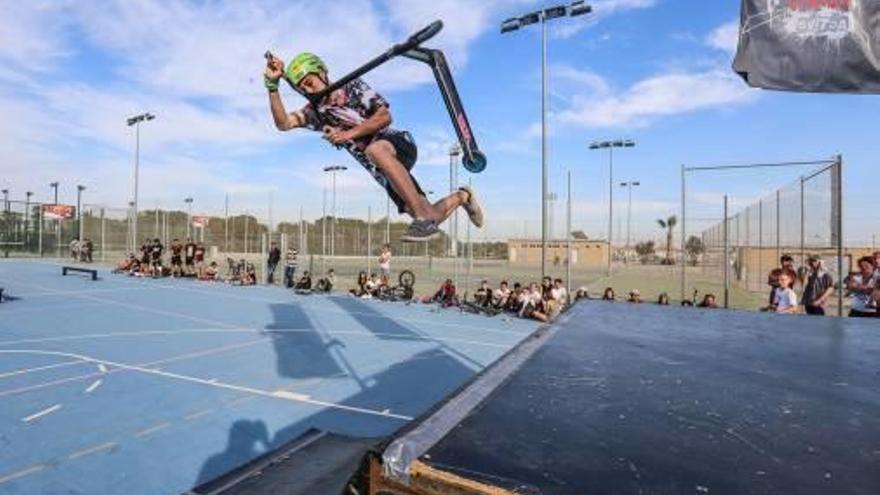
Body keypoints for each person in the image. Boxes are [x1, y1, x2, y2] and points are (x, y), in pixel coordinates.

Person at [263, 52, 483, 241]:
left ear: (322, 73)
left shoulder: (350, 87)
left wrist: (346, 134)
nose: (309, 90)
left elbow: (385, 116)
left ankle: (422, 219)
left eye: (310, 83)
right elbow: (284, 124)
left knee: (375, 150)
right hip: (383, 171)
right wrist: (273, 86)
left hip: (397, 145)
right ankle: (463, 196)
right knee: (430, 215)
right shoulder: (315, 113)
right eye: (303, 88)